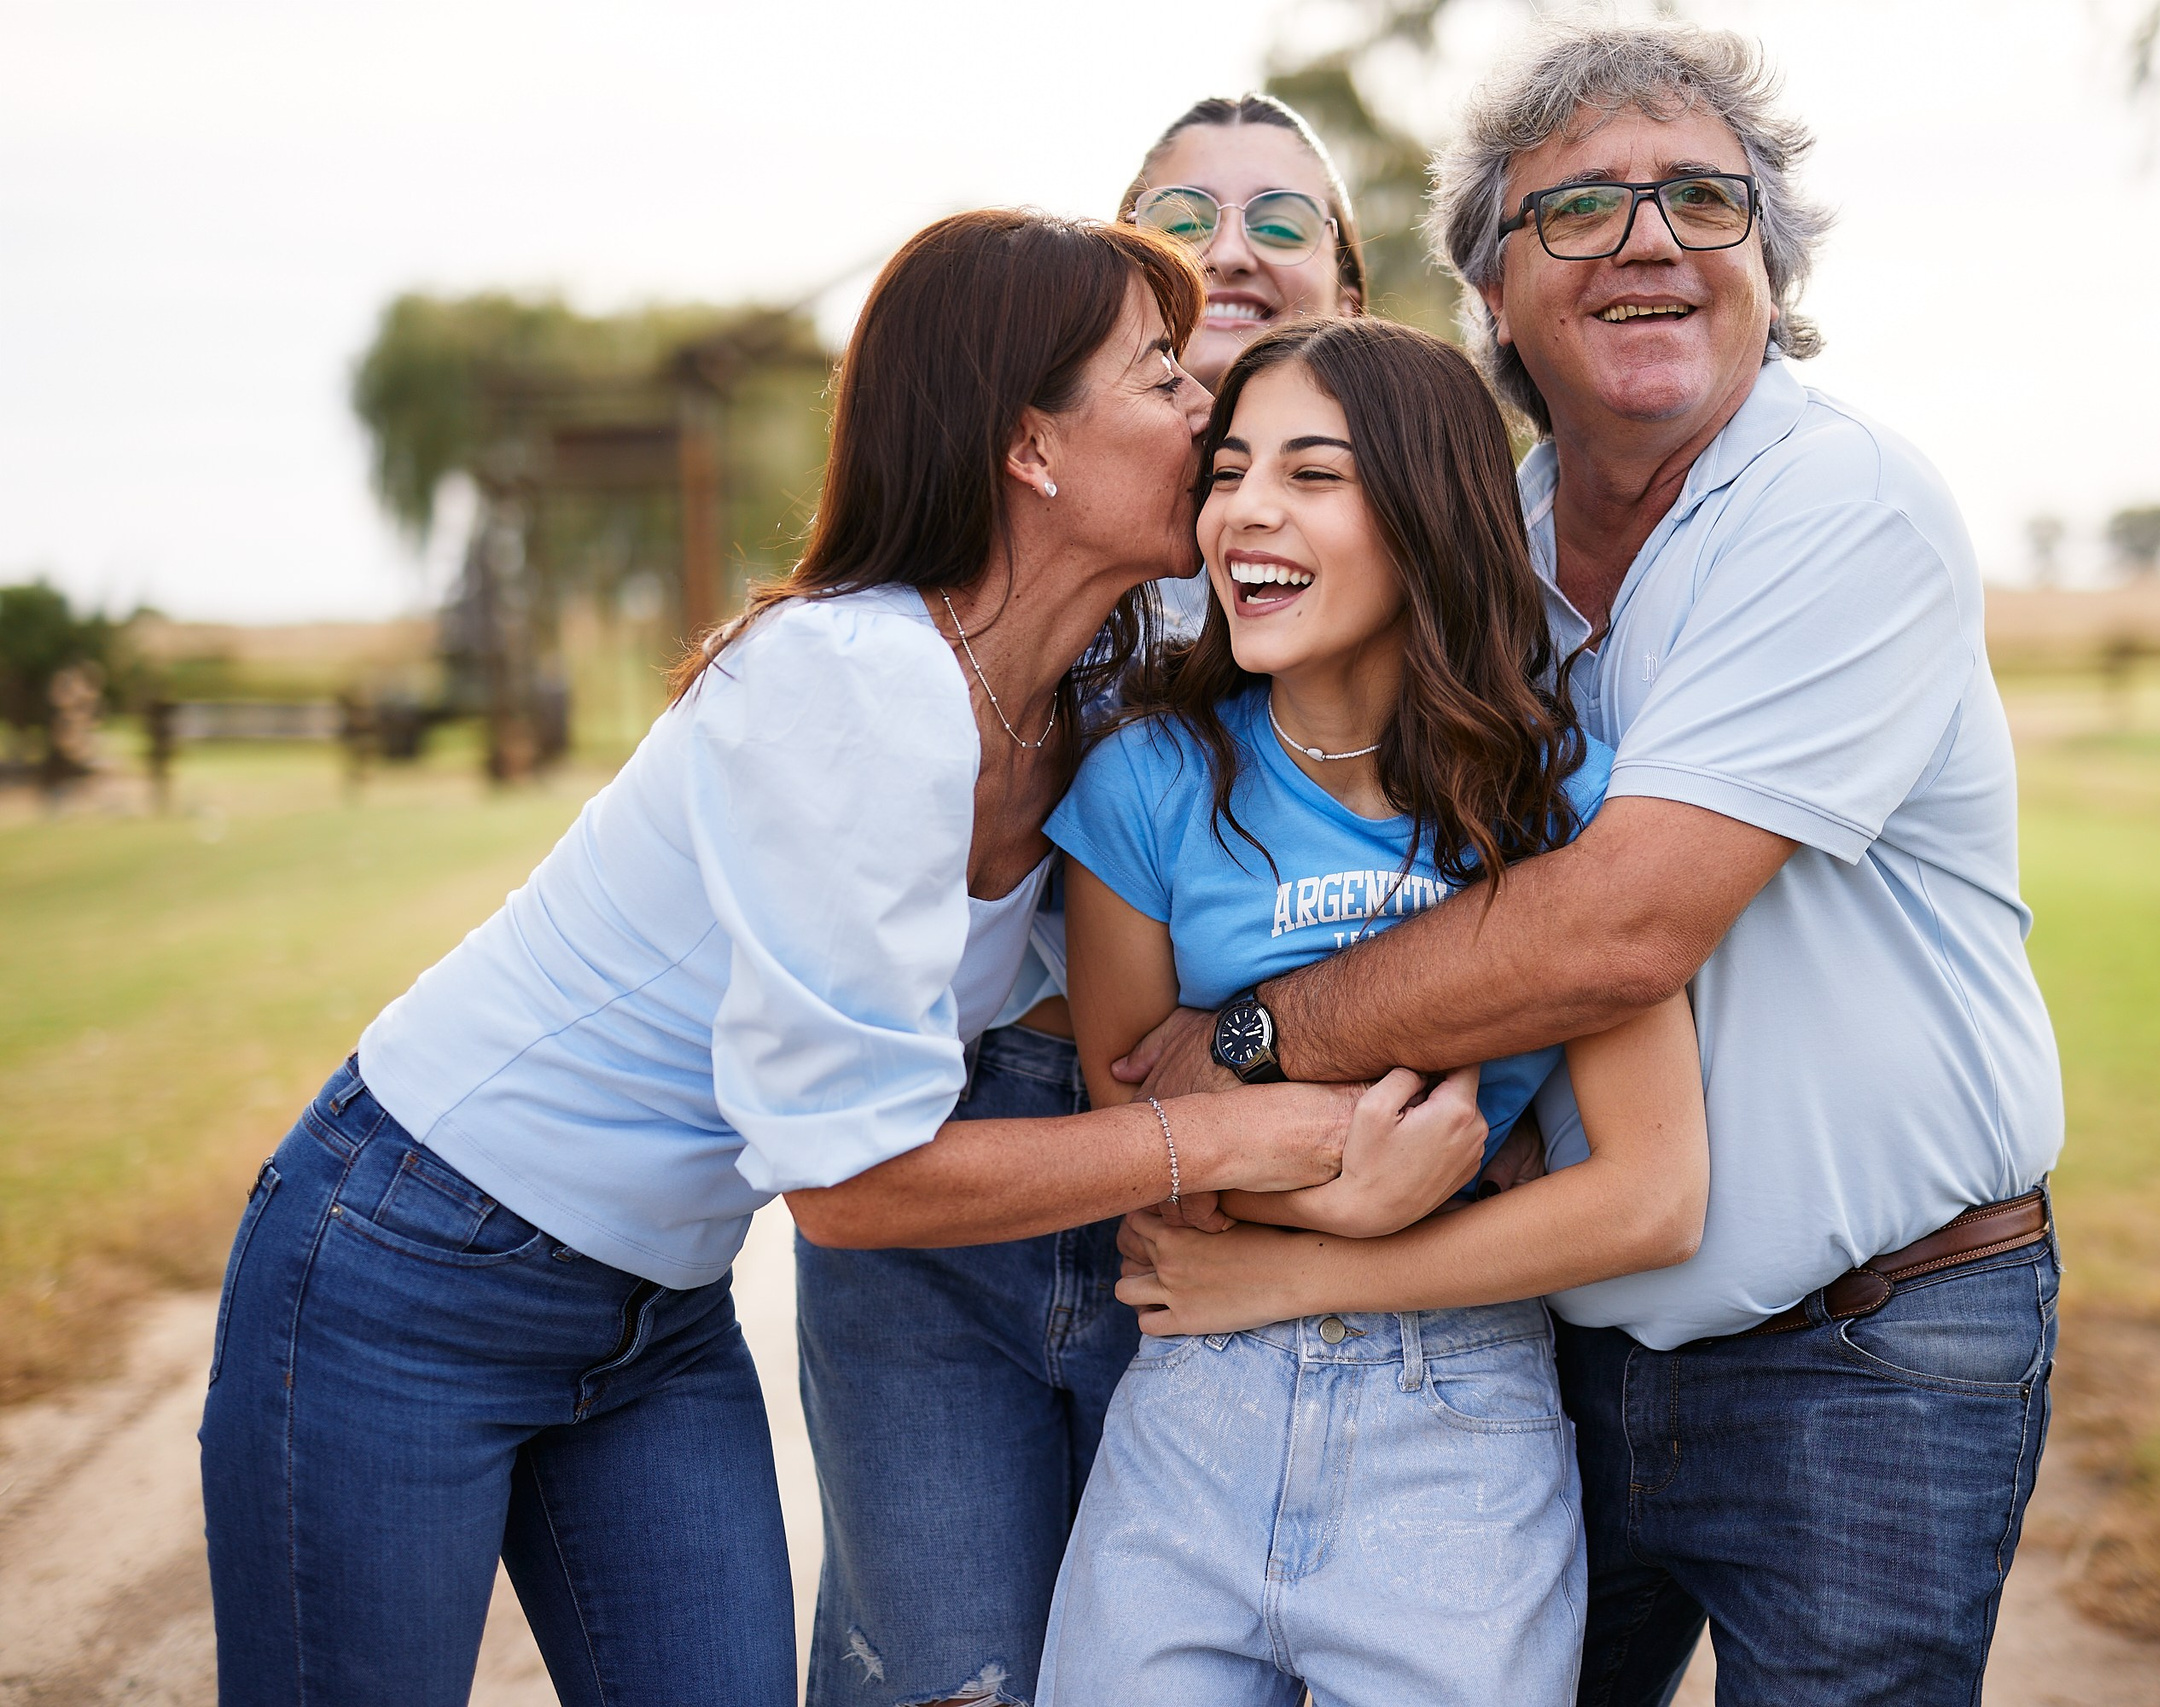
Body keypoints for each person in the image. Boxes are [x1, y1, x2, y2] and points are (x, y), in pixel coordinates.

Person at [196, 209, 1486, 1707]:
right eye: (1161, 380)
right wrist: (1253, 1129)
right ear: (1030, 446)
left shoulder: (1077, 707)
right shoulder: (851, 680)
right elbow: (854, 1181)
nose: (1210, 406)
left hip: (653, 1314)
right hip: (410, 1259)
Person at [1116, 20, 2068, 1706]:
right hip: (1567, 1342)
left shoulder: (1838, 504)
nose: (1648, 237)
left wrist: (1251, 1048)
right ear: (1490, 291)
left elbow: (1613, 926)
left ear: (1769, 260)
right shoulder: (1478, 550)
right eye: (1578, 212)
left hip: (1867, 1344)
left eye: (1705, 199)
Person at [1034, 315, 1708, 1705]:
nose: (1247, 511)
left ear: (1427, 516)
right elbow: (1137, 1146)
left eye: (1314, 474)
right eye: (1227, 471)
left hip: (1455, 1433)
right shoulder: (1147, 782)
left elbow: (1651, 1198)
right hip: (1193, 1412)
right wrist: (1358, 1195)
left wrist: (1315, 1247)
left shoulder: (1557, 794)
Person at [794, 93, 1370, 1707]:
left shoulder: (1409, 565)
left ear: (1353, 281)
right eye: (1179, 223)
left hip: (1230, 1164)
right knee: (940, 1667)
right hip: (965, 1136)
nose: (1231, 251)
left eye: (1282, 217)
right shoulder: (1012, 519)